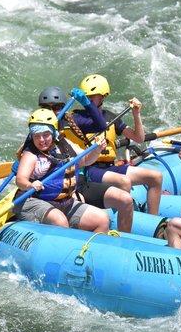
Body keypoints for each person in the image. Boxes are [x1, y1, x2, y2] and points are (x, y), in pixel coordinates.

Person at [37, 86, 134, 232]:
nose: (53, 112)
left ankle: (120, 246)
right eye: (47, 108)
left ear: (63, 107)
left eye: (56, 107)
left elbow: (101, 125)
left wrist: (87, 103)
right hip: (54, 188)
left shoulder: (72, 120)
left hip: (79, 180)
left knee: (125, 200)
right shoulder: (38, 131)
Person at [63, 74, 163, 215]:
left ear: (103, 96)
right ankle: (119, 218)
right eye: (87, 96)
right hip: (91, 169)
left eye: (93, 96)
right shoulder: (77, 118)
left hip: (111, 167)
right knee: (124, 182)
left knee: (156, 177)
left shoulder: (110, 117)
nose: (88, 99)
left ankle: (152, 219)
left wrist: (136, 114)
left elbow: (139, 138)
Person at [13, 108, 110, 232]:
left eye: (45, 134)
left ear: (53, 133)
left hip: (64, 201)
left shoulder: (64, 145)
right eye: (37, 136)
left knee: (102, 220)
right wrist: (30, 185)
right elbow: (20, 180)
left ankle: (93, 250)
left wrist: (97, 150)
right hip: (35, 200)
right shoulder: (31, 155)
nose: (41, 140)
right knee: (60, 221)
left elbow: (85, 160)